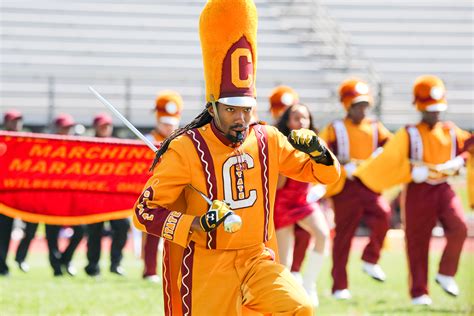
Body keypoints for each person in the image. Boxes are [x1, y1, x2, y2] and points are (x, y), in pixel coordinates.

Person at [132, 0, 340, 315]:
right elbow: (144, 212)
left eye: (246, 109)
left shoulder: (268, 138)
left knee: (299, 307)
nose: (240, 118)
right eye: (231, 109)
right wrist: (197, 223)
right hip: (207, 265)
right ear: (212, 107)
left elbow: (325, 175)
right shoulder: (185, 148)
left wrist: (320, 153)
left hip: (258, 259)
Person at [354, 75, 473, 305]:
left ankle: (446, 273)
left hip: (444, 188)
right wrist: (411, 171)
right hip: (418, 191)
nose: (435, 113)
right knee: (417, 240)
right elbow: (389, 160)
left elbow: (468, 146)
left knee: (458, 227)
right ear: (419, 107)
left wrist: (460, 161)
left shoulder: (450, 130)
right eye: (430, 109)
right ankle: (419, 292)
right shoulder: (409, 133)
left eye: (438, 109)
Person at [319, 78, 393, 300]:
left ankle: (371, 258)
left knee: (384, 214)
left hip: (369, 184)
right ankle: (339, 286)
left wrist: (381, 156)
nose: (362, 110)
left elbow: (393, 147)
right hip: (345, 187)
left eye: (364, 105)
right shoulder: (335, 128)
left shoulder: (375, 127)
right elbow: (321, 154)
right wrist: (342, 167)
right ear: (347, 106)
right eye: (357, 105)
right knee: (343, 236)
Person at [274, 102, 331, 307]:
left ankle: (309, 285)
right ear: (287, 122)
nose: (301, 121)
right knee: (284, 261)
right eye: (296, 117)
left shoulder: (317, 142)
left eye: (304, 117)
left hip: (303, 200)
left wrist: (319, 189)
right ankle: (286, 301)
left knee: (323, 235)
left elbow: (327, 171)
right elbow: (279, 184)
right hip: (282, 202)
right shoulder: (281, 143)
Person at [15, 114, 85, 276]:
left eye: (69, 128)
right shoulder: (45, 146)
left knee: (80, 231)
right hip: (50, 199)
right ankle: (57, 268)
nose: (67, 131)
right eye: (64, 128)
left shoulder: (76, 147)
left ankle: (65, 259)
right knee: (51, 235)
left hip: (70, 200)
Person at [141, 91, 183, 282]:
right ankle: (150, 270)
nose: (168, 127)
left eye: (172, 124)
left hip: (177, 192)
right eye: (165, 123)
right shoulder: (146, 139)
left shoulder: (182, 140)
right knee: (151, 231)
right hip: (154, 193)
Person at [84, 113, 130, 277]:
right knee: (94, 232)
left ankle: (115, 264)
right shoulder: (86, 146)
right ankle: (93, 266)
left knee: (123, 227)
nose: (105, 128)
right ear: (95, 127)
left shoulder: (117, 145)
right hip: (94, 197)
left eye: (108, 125)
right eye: (102, 125)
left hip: (113, 198)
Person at [0, 110, 23, 276]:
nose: (16, 124)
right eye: (13, 121)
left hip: (10, 197)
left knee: (6, 233)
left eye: (18, 121)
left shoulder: (25, 141)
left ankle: (2, 264)